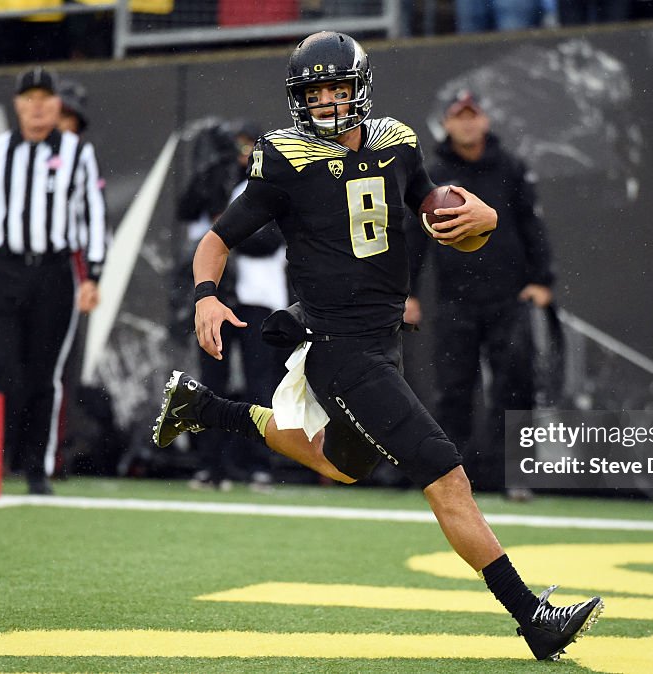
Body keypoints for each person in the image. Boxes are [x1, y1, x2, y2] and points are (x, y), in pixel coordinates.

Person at [152, 31, 602, 660]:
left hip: (382, 338)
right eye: (316, 93)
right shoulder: (283, 160)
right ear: (297, 100)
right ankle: (533, 617)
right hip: (338, 346)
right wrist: (205, 294)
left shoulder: (398, 144)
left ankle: (204, 409)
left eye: (339, 89)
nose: (329, 103)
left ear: (359, 89)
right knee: (446, 475)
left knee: (339, 464)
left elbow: (434, 209)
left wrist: (488, 219)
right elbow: (216, 240)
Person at [0, 66, 107, 495]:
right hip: (5, 269)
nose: (37, 107)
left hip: (55, 272)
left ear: (57, 105)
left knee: (44, 373)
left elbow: (92, 216)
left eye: (45, 98)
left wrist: (92, 275)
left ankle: (37, 468)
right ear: (17, 105)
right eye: (29, 98)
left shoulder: (77, 152)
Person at [405, 90, 554, 498]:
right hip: (455, 300)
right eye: (459, 116)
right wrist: (409, 292)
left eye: (474, 115)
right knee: (453, 388)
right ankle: (451, 478)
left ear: (485, 121)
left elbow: (532, 225)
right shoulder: (433, 174)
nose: (468, 123)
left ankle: (514, 474)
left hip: (508, 298)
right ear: (447, 124)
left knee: (514, 383)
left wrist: (542, 280)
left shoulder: (511, 167)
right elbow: (415, 236)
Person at [175, 119, 290, 491]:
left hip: (258, 300)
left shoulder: (274, 186)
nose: (243, 156)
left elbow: (268, 241)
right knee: (212, 384)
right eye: (237, 148)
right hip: (216, 299)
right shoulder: (217, 186)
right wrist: (209, 176)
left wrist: (225, 228)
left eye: (250, 147)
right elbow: (186, 211)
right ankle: (212, 465)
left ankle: (260, 464)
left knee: (261, 383)